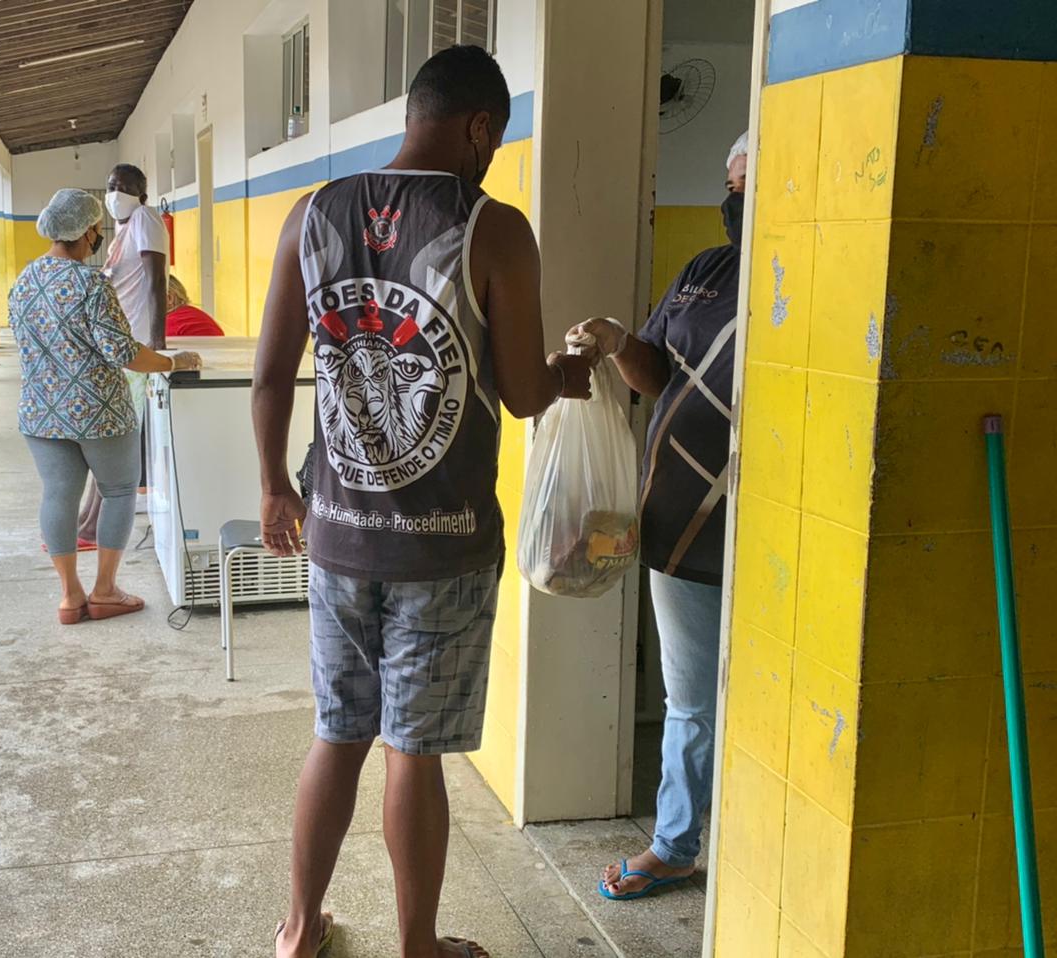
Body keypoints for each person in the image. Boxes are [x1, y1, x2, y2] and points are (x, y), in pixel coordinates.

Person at [253, 45, 593, 958]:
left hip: (337, 533)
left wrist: (275, 487)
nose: (493, 156)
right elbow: (521, 393)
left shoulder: (312, 213)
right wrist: (570, 373)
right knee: (413, 750)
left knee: (337, 734)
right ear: (478, 127)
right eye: (496, 138)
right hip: (443, 547)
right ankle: (419, 948)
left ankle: (298, 931)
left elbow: (270, 375)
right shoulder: (494, 228)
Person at [568, 132, 748, 902]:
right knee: (692, 701)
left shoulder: (814, 270)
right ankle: (675, 846)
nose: (737, 199)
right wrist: (618, 343)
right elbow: (654, 372)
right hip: (680, 528)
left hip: (765, 527)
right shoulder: (705, 271)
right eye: (731, 184)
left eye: (751, 183)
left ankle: (742, 838)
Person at [11, 188, 201, 624]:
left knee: (58, 494)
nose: (99, 235)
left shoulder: (25, 280)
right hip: (99, 411)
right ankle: (105, 591)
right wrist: (174, 361)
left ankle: (69, 596)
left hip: (41, 411)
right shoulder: (90, 283)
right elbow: (123, 352)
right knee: (117, 492)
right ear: (87, 232)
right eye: (98, 228)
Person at [76, 164, 171, 542]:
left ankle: (92, 527)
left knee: (116, 443)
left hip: (135, 349)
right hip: (116, 348)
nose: (116, 194)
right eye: (111, 186)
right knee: (106, 438)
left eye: (125, 188)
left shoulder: (145, 218)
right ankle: (88, 518)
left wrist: (158, 345)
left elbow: (156, 281)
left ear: (142, 195)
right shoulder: (121, 232)